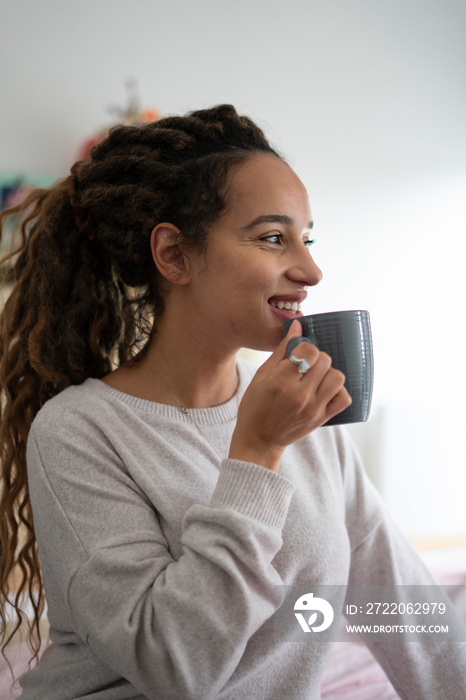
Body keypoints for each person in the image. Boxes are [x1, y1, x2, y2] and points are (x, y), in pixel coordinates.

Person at [0, 104, 464, 699]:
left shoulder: (303, 413)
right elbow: (177, 666)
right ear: (173, 256)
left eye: (307, 238)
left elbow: (401, 607)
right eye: (273, 238)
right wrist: (258, 450)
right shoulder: (78, 432)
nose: (312, 269)